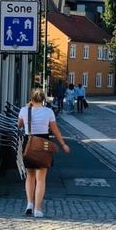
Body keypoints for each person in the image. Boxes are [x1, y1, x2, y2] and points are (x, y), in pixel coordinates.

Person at [17, 88, 70, 217]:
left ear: (31, 99)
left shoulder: (24, 111)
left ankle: (29, 204)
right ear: (43, 99)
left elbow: (18, 126)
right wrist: (63, 144)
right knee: (41, 179)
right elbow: (55, 130)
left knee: (29, 176)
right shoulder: (48, 112)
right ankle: (38, 209)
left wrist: (26, 109)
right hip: (43, 144)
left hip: (28, 143)